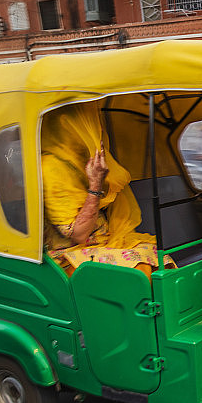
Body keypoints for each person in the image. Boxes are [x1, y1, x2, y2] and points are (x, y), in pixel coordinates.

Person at [41, 104, 174, 278]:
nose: (99, 129)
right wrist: (96, 184)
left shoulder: (82, 157)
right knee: (139, 270)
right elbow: (78, 235)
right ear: (70, 126)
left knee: (159, 257)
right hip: (69, 255)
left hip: (103, 242)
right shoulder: (50, 168)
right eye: (90, 123)